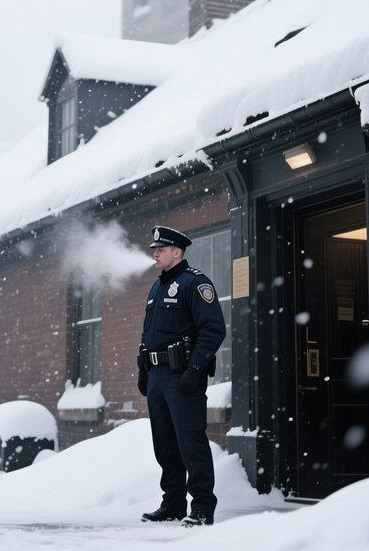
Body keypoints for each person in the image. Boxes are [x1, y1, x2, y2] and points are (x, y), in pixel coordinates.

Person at [137, 225, 226, 527]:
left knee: (190, 441)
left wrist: (195, 369)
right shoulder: (157, 287)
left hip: (182, 375)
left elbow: (213, 330)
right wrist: (143, 368)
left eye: (160, 249)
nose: (155, 254)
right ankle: (173, 503)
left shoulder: (195, 283)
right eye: (154, 250)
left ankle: (202, 507)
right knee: (165, 444)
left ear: (177, 252)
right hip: (157, 376)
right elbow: (149, 333)